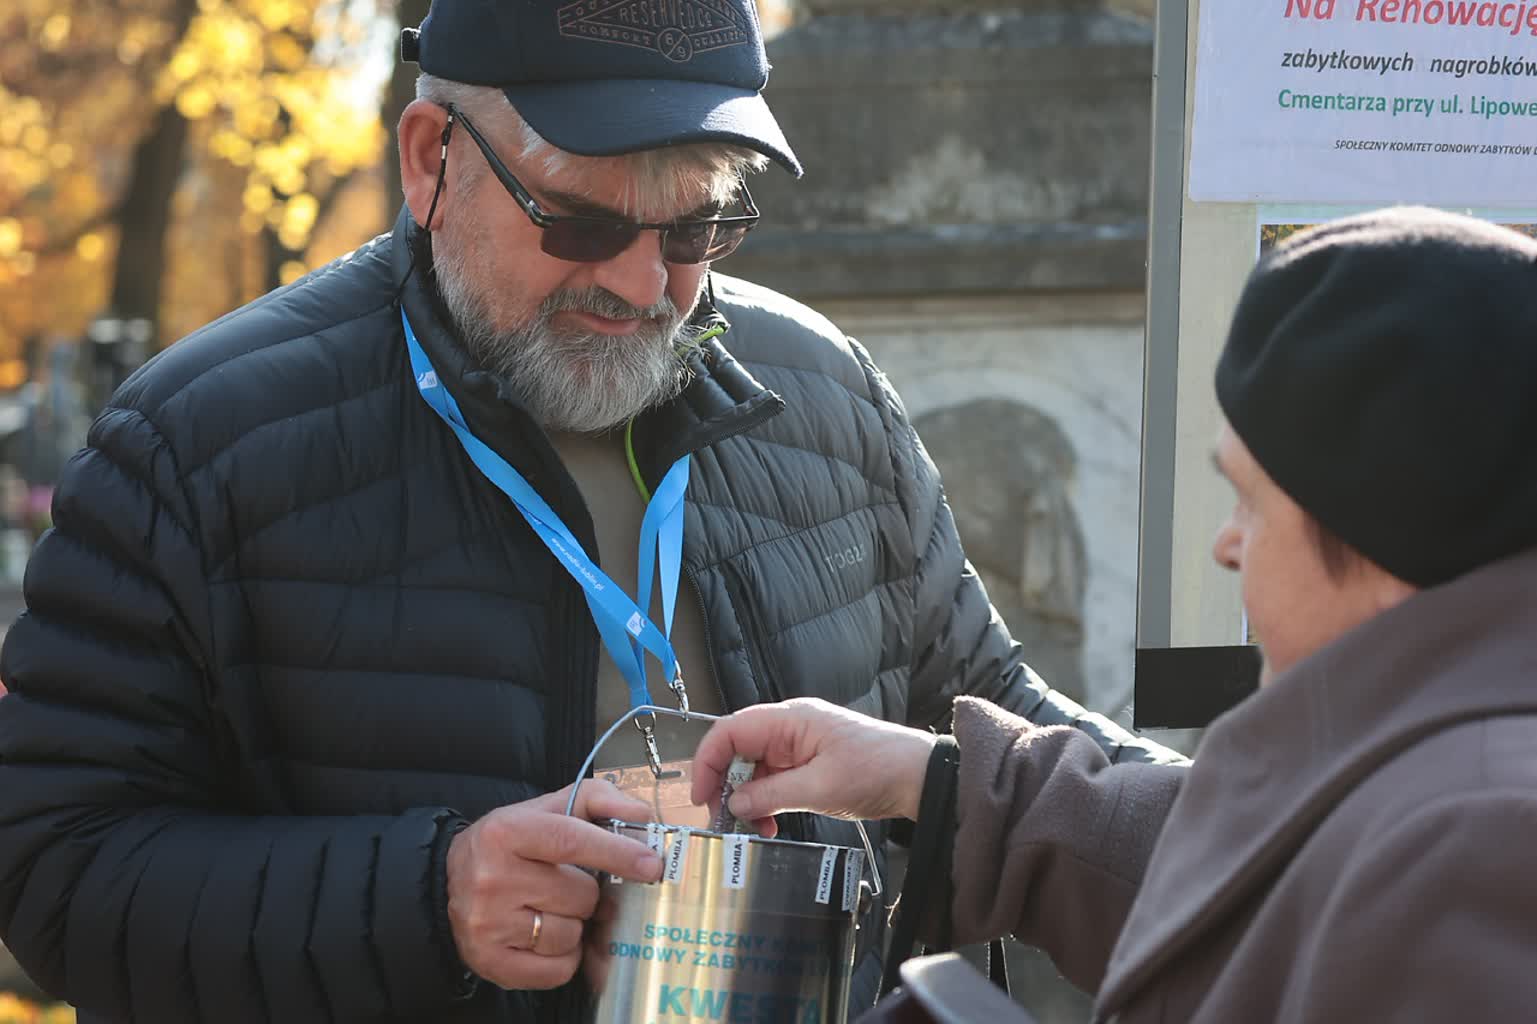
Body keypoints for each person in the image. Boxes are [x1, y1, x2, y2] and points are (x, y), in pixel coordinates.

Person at [0, 2, 1182, 1022]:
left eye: (696, 228)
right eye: (580, 222)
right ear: (431, 160)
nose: (638, 283)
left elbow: (1006, 732)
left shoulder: (829, 397)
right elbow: (51, 869)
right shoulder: (197, 441)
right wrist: (425, 893)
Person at [693, 206, 1537, 1023]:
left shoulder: (1480, 852)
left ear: (1377, 517)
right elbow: (1252, 886)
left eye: (1251, 502)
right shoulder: (1433, 783)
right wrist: (935, 781)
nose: (1226, 544)